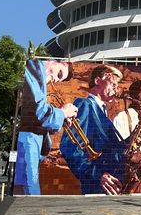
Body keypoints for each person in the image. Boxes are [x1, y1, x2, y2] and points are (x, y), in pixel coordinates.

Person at [60, 64, 128, 195]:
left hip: (110, 186)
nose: (116, 89)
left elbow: (109, 148)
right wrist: (98, 175)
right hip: (96, 187)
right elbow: (69, 147)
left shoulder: (102, 111)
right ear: (98, 81)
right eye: (113, 84)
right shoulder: (84, 104)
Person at [15, 59, 77, 195]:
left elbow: (37, 116)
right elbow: (38, 112)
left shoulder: (37, 76)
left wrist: (61, 116)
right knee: (30, 193)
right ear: (54, 61)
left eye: (59, 79)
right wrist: (63, 113)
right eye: (59, 73)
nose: (55, 79)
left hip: (32, 144)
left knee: (26, 191)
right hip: (28, 142)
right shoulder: (35, 70)